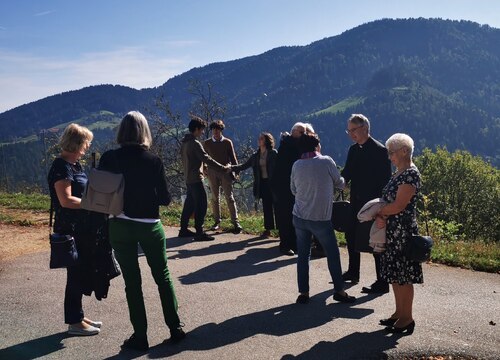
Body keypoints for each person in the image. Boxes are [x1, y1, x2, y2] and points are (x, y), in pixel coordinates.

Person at [99, 111, 185, 351]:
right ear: (144, 132)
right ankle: (175, 327)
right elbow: (166, 199)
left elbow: (101, 192)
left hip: (119, 225)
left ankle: (140, 335)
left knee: (132, 283)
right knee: (163, 277)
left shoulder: (109, 158)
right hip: (149, 226)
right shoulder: (154, 161)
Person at [47, 123, 101, 336]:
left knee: (78, 272)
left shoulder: (74, 165)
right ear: (77, 143)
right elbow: (66, 200)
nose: (87, 147)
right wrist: (93, 204)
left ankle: (77, 316)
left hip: (81, 228)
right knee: (76, 273)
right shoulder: (62, 166)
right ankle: (74, 322)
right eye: (86, 143)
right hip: (72, 229)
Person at [291, 133, 355, 304]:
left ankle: (303, 293)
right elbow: (340, 183)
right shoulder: (326, 161)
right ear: (317, 146)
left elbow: (293, 189)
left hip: (299, 216)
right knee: (332, 253)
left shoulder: (297, 165)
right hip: (320, 218)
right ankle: (339, 291)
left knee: (303, 255)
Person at [375, 133, 422, 335]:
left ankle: (407, 317)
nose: (389, 157)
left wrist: (380, 212)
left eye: (392, 153)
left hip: (402, 232)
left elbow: (399, 205)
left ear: (404, 151)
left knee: (403, 275)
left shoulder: (410, 174)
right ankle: (399, 313)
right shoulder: (399, 172)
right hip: (393, 231)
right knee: (395, 274)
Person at [341, 114, 392, 293]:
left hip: (373, 204)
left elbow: (385, 182)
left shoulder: (380, 151)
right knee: (351, 235)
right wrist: (337, 181)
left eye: (353, 130)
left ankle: (382, 281)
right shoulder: (353, 150)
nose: (350, 134)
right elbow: (347, 173)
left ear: (364, 128)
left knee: (376, 242)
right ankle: (353, 272)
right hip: (355, 202)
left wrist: (381, 210)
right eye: (348, 131)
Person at [179, 116, 231, 241]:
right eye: (201, 129)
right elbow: (206, 158)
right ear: (196, 129)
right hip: (196, 178)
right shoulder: (195, 143)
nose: (202, 132)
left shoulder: (185, 142)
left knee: (189, 204)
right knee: (201, 204)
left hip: (188, 178)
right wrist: (223, 168)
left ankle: (183, 229)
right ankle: (199, 232)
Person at [271, 122, 307, 256]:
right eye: (301, 132)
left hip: (295, 187)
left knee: (294, 216)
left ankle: (294, 243)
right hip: (283, 188)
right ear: (293, 132)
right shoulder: (287, 146)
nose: (303, 135)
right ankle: (285, 245)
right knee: (285, 217)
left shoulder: (295, 144)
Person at [232, 132, 278, 237]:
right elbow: (244, 166)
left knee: (277, 207)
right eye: (259, 138)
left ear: (266, 141)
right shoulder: (256, 156)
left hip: (274, 184)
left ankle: (281, 230)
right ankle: (268, 229)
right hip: (263, 184)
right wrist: (232, 167)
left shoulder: (273, 153)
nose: (259, 140)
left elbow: (278, 168)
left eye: (261, 139)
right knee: (267, 207)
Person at [203, 120, 242, 233]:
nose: (215, 132)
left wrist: (237, 171)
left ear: (221, 130)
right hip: (212, 172)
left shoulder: (227, 142)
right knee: (215, 198)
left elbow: (233, 157)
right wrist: (204, 169)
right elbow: (203, 158)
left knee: (229, 197)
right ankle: (217, 222)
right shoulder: (207, 143)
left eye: (217, 129)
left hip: (225, 171)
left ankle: (235, 222)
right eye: (214, 129)